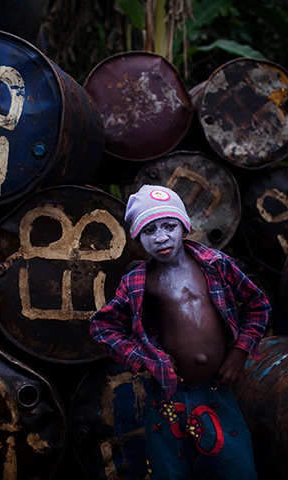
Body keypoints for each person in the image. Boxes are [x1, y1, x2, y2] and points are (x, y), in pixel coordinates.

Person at [90, 185, 271, 479]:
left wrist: (240, 351)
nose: (161, 237)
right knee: (170, 471)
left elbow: (258, 304)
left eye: (169, 226)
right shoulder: (139, 281)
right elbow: (102, 327)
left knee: (236, 466)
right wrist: (147, 360)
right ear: (138, 238)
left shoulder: (216, 264)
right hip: (167, 396)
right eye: (149, 231)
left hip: (215, 390)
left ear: (185, 227)